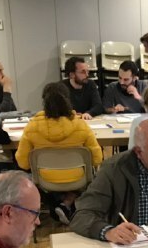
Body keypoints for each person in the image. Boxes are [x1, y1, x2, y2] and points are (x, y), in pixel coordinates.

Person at [15, 81, 103, 224]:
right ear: (68, 100)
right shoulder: (81, 125)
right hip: (77, 178)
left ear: (44, 102)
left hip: (44, 179)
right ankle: (68, 201)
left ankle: (56, 202)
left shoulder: (32, 127)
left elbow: (22, 163)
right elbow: (97, 159)